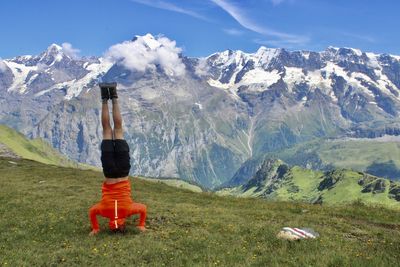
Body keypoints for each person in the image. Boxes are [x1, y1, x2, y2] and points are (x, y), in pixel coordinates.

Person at [89, 82, 147, 235]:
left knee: (118, 129)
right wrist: (95, 228)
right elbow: (92, 212)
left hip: (122, 172)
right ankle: (104, 98)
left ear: (122, 224)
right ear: (109, 223)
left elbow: (143, 209)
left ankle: (114, 96)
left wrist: (141, 224)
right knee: (107, 130)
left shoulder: (128, 211)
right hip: (109, 172)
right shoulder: (104, 212)